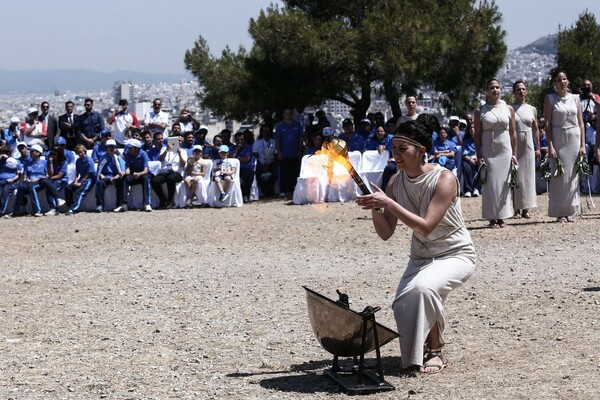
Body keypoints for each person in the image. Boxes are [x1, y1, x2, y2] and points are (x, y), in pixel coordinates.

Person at [356, 117, 476, 374]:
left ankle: (436, 351)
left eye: (402, 149)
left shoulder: (444, 180)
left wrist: (388, 203)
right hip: (421, 256)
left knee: (422, 289)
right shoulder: (394, 183)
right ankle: (417, 351)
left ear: (421, 150)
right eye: (394, 148)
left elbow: (425, 226)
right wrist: (376, 207)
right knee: (403, 301)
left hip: (455, 253)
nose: (395, 154)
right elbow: (386, 233)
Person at [474, 78, 517, 228]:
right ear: (487, 91)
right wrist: (479, 154)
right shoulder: (480, 110)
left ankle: (503, 216)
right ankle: (492, 217)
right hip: (489, 149)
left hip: (505, 149)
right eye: (491, 87)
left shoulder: (509, 108)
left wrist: (514, 154)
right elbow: (477, 135)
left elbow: (513, 133)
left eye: (497, 87)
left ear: (501, 89)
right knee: (490, 183)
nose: (495, 90)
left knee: (504, 183)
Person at [544, 70, 586, 222]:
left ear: (568, 81)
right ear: (555, 83)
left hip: (574, 138)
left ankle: (572, 210)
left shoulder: (576, 98)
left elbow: (581, 123)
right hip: (558, 137)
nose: (562, 82)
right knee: (558, 174)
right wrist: (550, 146)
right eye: (558, 79)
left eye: (564, 79)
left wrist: (582, 145)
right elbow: (547, 123)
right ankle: (559, 211)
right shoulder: (550, 99)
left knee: (573, 174)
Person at [512, 81, 540, 219]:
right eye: (518, 89)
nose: (521, 92)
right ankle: (516, 208)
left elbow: (536, 129)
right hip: (515, 145)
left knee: (528, 177)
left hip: (528, 144)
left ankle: (526, 208)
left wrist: (538, 148)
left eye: (523, 89)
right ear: (514, 92)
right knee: (517, 176)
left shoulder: (532, 109)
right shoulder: (509, 108)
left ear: (526, 92)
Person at [5, 144, 48, 217]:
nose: (30, 153)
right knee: (21, 187)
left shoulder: (44, 162)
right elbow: (25, 175)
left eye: (32, 151)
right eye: (30, 151)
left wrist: (38, 178)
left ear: (38, 153)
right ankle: (16, 211)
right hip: (29, 181)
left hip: (39, 181)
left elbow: (47, 175)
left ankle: (37, 210)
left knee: (32, 187)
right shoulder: (28, 164)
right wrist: (26, 179)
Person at [114, 139, 152, 212]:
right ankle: (124, 204)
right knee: (125, 178)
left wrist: (139, 174)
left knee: (145, 178)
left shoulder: (143, 154)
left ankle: (146, 204)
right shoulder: (128, 154)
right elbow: (128, 169)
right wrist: (124, 172)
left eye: (130, 148)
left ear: (136, 148)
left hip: (142, 174)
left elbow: (146, 170)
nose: (128, 149)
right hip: (133, 175)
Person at [151, 132, 185, 209]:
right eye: (178, 141)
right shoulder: (164, 148)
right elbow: (161, 159)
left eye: (181, 141)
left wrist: (179, 154)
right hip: (165, 171)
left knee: (171, 178)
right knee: (154, 181)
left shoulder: (183, 151)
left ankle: (170, 200)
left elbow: (183, 165)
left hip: (177, 172)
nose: (180, 143)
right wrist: (167, 150)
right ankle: (162, 198)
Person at [275, 108, 303, 198]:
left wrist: (299, 150)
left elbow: (300, 139)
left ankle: (293, 190)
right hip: (284, 154)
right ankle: (283, 190)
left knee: (294, 172)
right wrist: (279, 152)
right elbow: (277, 140)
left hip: (295, 153)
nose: (288, 115)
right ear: (283, 115)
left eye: (290, 113)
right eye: (286, 113)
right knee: (284, 173)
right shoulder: (280, 126)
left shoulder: (297, 125)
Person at [64, 144, 97, 215]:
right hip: (81, 179)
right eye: (79, 153)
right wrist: (76, 181)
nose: (80, 154)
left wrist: (81, 182)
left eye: (81, 152)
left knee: (80, 192)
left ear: (84, 151)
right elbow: (77, 173)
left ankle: (74, 208)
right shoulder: (78, 161)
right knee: (68, 188)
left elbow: (89, 173)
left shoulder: (89, 160)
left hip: (89, 179)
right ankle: (70, 206)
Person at [95, 139, 125, 212]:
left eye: (112, 147)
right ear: (106, 148)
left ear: (115, 148)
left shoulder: (118, 158)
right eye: (109, 147)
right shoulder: (103, 158)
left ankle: (120, 205)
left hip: (116, 177)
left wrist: (115, 177)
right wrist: (101, 175)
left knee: (121, 181)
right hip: (106, 178)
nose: (111, 148)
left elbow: (122, 171)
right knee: (100, 183)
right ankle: (100, 205)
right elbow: (99, 171)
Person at [252, 124, 278, 197]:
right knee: (258, 174)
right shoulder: (257, 143)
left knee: (275, 173)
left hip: (271, 163)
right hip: (260, 164)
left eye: (267, 131)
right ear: (261, 132)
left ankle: (271, 191)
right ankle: (261, 191)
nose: (266, 132)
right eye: (264, 131)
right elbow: (255, 156)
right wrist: (262, 165)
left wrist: (270, 164)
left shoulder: (274, 142)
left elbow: (276, 155)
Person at [43, 145, 69, 216]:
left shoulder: (64, 162)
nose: (52, 156)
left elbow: (60, 175)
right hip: (53, 178)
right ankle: (58, 199)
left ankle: (54, 208)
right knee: (47, 184)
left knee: (50, 187)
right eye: (51, 153)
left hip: (62, 179)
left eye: (54, 154)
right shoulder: (50, 160)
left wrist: (50, 179)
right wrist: (51, 163)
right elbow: (50, 174)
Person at [231, 131, 254, 203]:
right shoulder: (232, 148)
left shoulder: (248, 147)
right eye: (238, 140)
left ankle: (245, 195)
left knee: (247, 174)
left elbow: (246, 159)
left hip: (245, 168)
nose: (240, 141)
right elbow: (231, 158)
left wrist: (236, 160)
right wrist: (237, 149)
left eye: (241, 140)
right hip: (234, 169)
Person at [461, 122, 481, 197]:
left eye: (474, 128)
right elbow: (464, 154)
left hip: (478, 158)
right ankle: (468, 190)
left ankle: (477, 188)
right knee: (466, 167)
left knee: (481, 167)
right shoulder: (465, 141)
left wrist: (478, 158)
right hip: (468, 159)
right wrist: (470, 160)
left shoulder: (481, 140)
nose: (472, 129)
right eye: (470, 128)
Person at [0, 148, 21, 215]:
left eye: (6, 152)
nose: (5, 154)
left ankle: (2, 210)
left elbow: (19, 174)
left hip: (12, 181)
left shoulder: (15, 161)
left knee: (5, 189)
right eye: (3, 152)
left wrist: (13, 179)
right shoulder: (1, 161)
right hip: (2, 181)